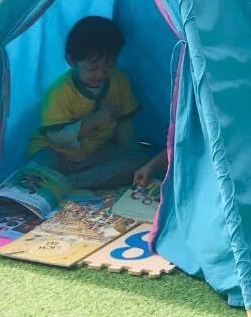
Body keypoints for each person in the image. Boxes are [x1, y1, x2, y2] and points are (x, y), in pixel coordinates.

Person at [27, 17, 156, 189]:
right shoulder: (60, 91)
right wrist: (95, 121)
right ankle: (69, 181)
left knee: (140, 160)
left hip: (94, 153)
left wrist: (131, 155)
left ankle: (70, 183)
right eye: (92, 68)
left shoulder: (119, 81)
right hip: (55, 152)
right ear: (72, 61)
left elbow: (125, 127)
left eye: (109, 66)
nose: (101, 74)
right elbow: (57, 138)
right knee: (43, 163)